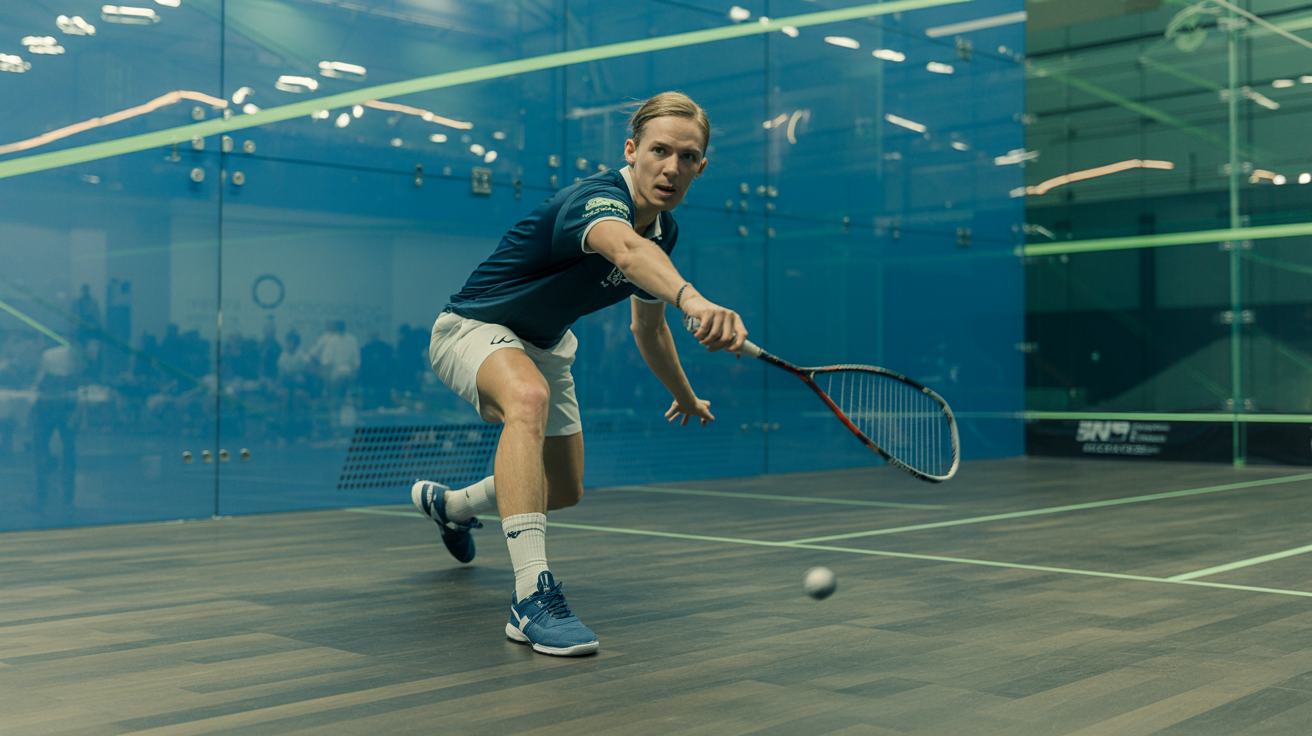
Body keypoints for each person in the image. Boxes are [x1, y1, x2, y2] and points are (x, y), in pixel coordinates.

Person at [410, 92, 746, 657]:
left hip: (542, 345)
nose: (671, 168)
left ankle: (452, 507)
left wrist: (685, 395)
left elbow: (649, 329)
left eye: (687, 157)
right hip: (471, 327)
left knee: (561, 489)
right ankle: (531, 599)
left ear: (701, 167)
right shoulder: (597, 199)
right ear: (631, 149)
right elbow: (626, 252)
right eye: (659, 150)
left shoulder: (664, 231)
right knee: (526, 397)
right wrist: (692, 296)